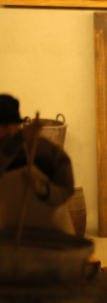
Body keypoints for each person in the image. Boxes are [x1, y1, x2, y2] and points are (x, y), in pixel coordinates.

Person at [0, 94, 75, 233]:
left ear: (8, 127)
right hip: (8, 234)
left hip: (51, 234)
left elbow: (66, 190)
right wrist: (19, 138)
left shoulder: (46, 151)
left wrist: (41, 188)